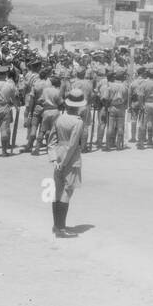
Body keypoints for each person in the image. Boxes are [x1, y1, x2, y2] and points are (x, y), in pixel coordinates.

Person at [50, 90, 86, 237]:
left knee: (58, 191)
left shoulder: (59, 118)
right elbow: (72, 145)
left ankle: (56, 225)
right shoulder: (78, 122)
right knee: (67, 191)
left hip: (58, 154)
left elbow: (52, 140)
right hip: (70, 159)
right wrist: (64, 162)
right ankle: (61, 229)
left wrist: (54, 159)